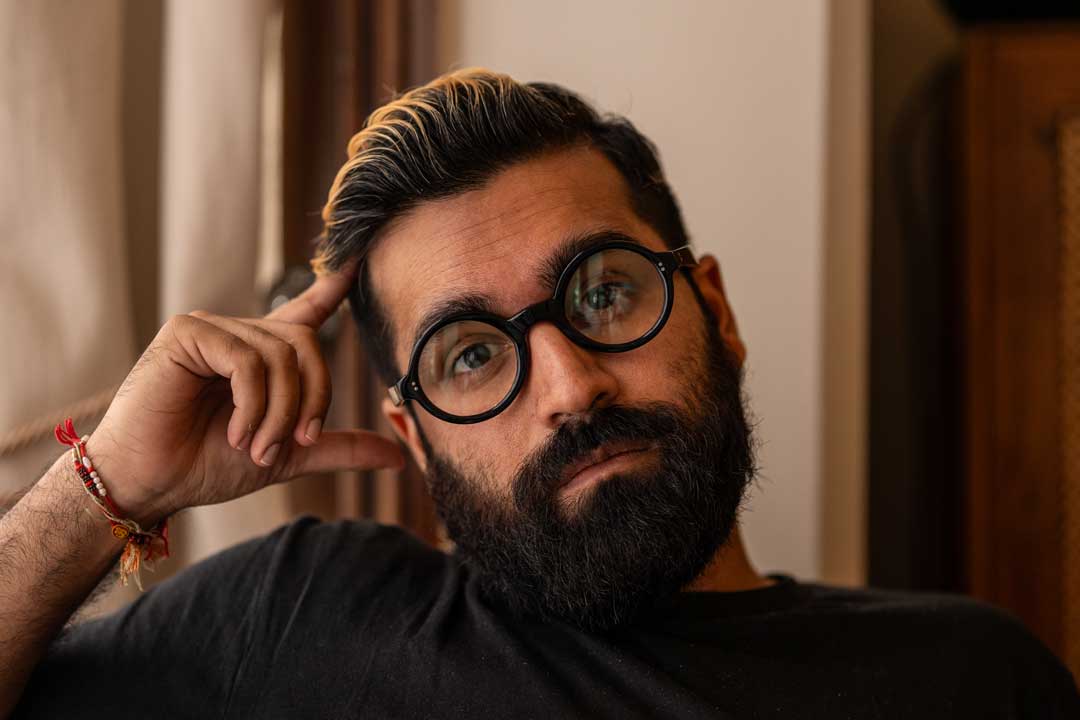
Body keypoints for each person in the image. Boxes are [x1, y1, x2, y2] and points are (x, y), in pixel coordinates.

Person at [2, 68, 1077, 719]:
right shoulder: (291, 624)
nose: (569, 385)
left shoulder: (976, 683)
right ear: (412, 440)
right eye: (471, 354)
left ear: (716, 309)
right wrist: (101, 488)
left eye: (605, 292)